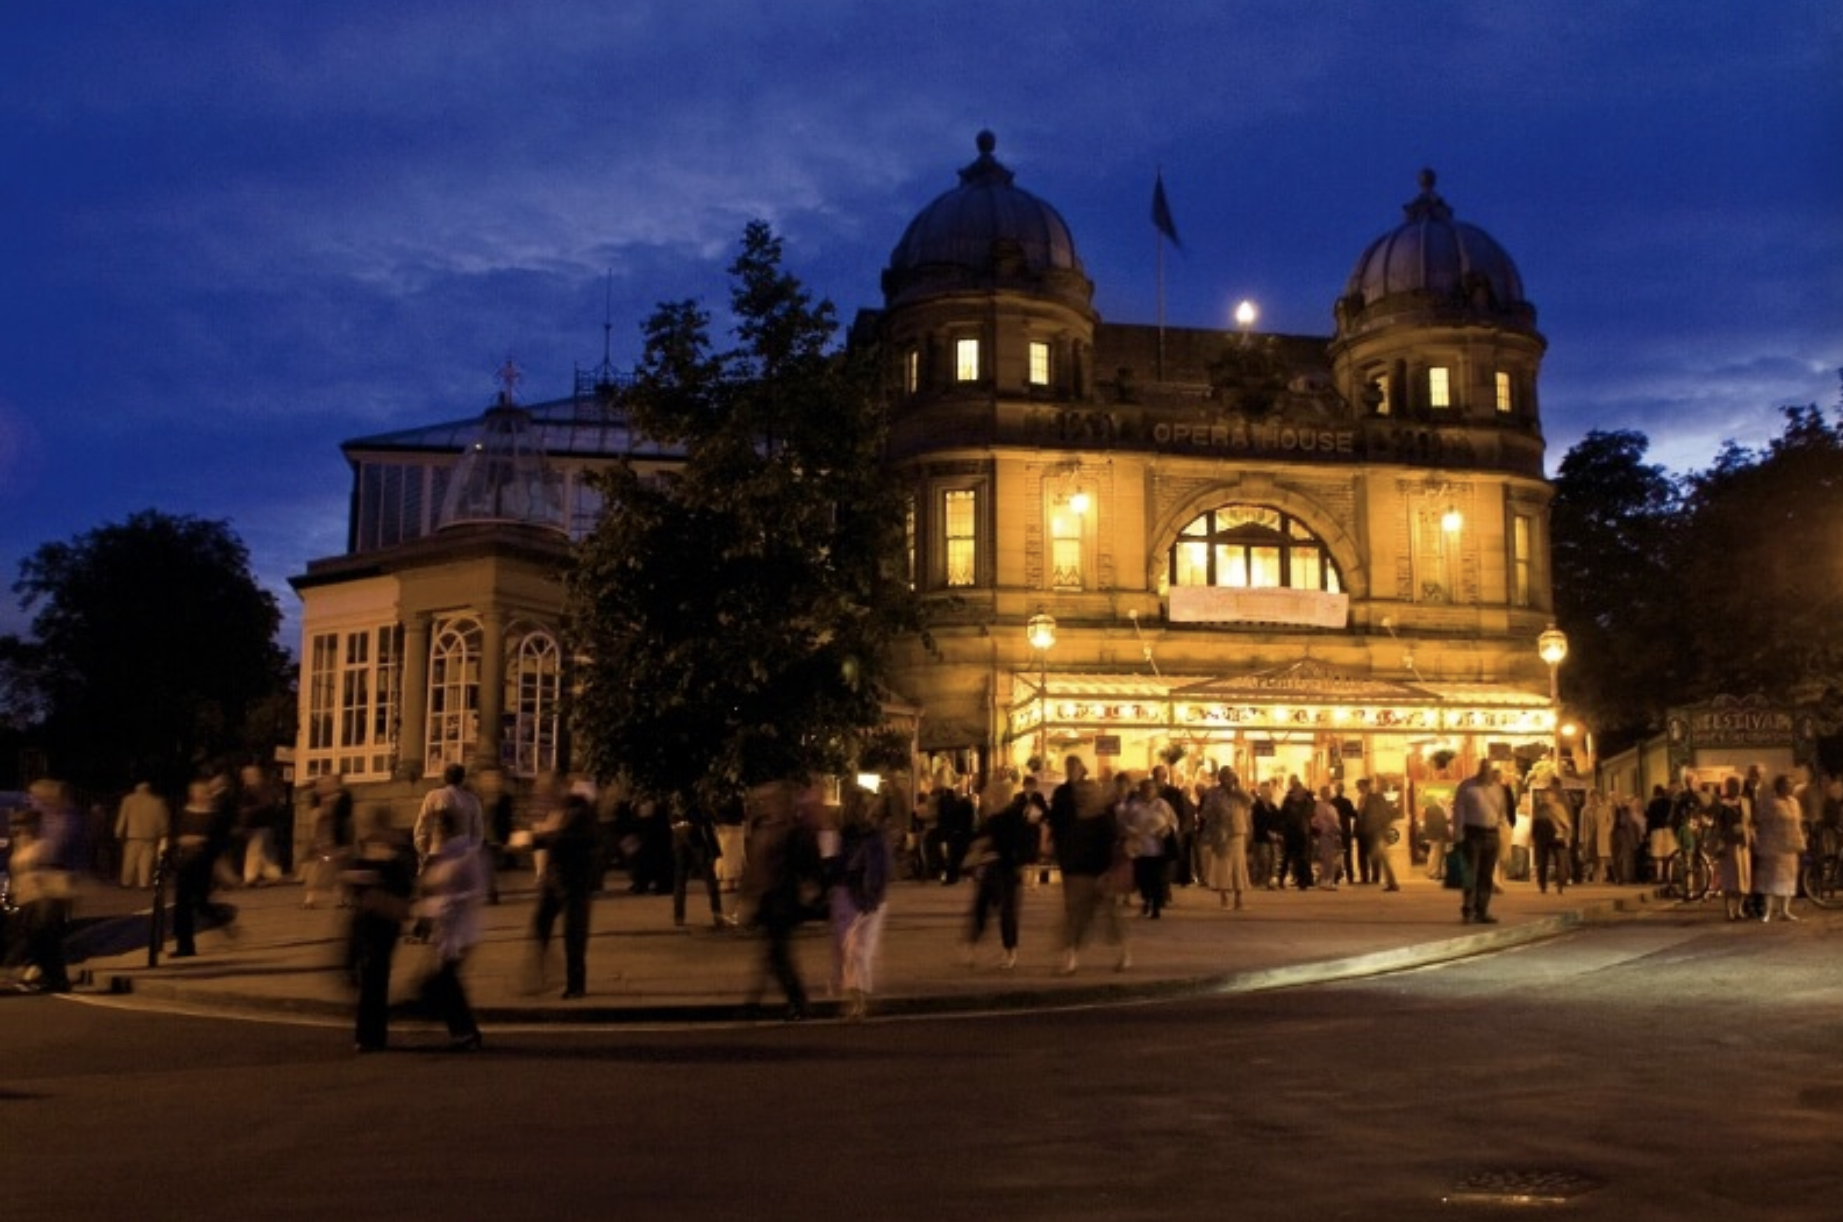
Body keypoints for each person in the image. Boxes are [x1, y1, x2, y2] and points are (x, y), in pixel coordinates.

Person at [742, 781, 822, 1020]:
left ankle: (764, 1003)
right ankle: (778, 1003)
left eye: (770, 801)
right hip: (767, 901)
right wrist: (747, 897)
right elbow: (754, 867)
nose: (765, 806)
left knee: (776, 954)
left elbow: (808, 865)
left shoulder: (794, 832)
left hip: (783, 901)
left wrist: (811, 890)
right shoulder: (763, 829)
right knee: (773, 955)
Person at [1047, 756, 1130, 975]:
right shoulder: (1074, 815)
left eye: (1086, 795)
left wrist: (1109, 872)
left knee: (1109, 917)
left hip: (1099, 873)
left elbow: (1112, 847)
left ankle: (1123, 953)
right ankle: (1071, 959)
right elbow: (1063, 837)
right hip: (1078, 872)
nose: (1081, 798)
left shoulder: (1102, 821)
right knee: (1075, 918)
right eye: (1080, 795)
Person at [341, 807, 415, 1052]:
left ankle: (367, 1037)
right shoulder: (387, 850)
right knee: (376, 977)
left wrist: (370, 877)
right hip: (381, 920)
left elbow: (399, 884)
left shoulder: (392, 850)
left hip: (378, 918)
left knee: (373, 977)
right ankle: (372, 1036)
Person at [416, 807, 485, 1049]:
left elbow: (477, 890)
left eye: (437, 827)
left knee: (448, 980)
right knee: (448, 981)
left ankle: (466, 1032)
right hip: (444, 931)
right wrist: (426, 917)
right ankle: (464, 1032)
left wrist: (447, 903)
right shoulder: (440, 856)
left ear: (448, 828)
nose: (435, 833)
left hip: (462, 931)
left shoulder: (466, 855)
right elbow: (430, 889)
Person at [529, 784, 600, 999]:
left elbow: (564, 840)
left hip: (572, 884)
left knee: (573, 935)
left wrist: (542, 836)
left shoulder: (580, 815)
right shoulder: (569, 813)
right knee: (548, 924)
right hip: (560, 881)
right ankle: (546, 972)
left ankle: (575, 985)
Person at [9, 780, 78, 993]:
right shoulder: (36, 829)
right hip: (31, 895)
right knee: (39, 937)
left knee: (45, 937)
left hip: (47, 892)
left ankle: (54, 978)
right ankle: (50, 977)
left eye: (35, 796)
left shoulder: (60, 822)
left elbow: (57, 859)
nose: (32, 800)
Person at [831, 787, 891, 1019]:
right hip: (848, 894)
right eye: (862, 805)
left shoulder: (874, 836)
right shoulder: (848, 835)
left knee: (860, 950)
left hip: (865, 896)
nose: (866, 810)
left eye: (868, 805)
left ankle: (857, 1001)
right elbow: (839, 866)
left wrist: (873, 896)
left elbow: (881, 870)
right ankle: (853, 998)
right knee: (848, 950)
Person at [963, 773, 1032, 967]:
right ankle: (991, 949)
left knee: (1002, 911)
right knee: (985, 908)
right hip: (995, 867)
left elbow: (1013, 842)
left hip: (1005, 868)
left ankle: (1008, 951)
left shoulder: (1010, 817)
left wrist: (987, 847)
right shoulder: (995, 818)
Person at [1453, 759, 1509, 924]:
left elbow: (1501, 811)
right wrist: (1458, 833)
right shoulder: (1467, 787)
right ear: (1479, 769)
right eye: (1484, 768)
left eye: (1490, 769)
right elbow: (1459, 810)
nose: (1487, 772)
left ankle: (1482, 910)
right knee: (1471, 873)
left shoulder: (1498, 789)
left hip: (1492, 834)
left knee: (1486, 874)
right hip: (1473, 833)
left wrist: (1501, 829)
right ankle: (1468, 910)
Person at [670, 790, 732, 929]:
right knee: (709, 877)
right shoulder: (696, 796)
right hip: (695, 836)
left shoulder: (674, 797)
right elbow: (707, 821)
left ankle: (679, 916)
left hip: (679, 837)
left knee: (680, 878)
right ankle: (717, 914)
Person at [1120, 776, 1176, 917]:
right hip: (1139, 848)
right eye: (1145, 789)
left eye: (1151, 789)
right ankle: (1147, 900)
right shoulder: (1134, 805)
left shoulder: (1162, 805)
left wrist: (1167, 829)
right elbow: (1124, 822)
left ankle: (1156, 905)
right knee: (1143, 877)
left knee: (1157, 877)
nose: (1148, 791)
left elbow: (1173, 821)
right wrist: (1130, 831)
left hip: (1158, 848)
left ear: (1156, 791)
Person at [1754, 774, 1806, 923]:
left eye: (1790, 784)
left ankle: (1785, 910)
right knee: (1771, 878)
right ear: (1778, 786)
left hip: (1790, 846)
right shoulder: (1771, 803)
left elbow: (1798, 823)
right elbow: (1761, 821)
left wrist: (1800, 840)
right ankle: (1768, 911)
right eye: (1786, 784)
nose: (1789, 787)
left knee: (1789, 879)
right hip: (1773, 846)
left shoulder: (1794, 803)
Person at [303, 774, 354, 909]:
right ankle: (310, 899)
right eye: (322, 785)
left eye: (329, 784)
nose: (325, 787)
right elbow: (314, 822)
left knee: (340, 869)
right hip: (323, 841)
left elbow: (345, 821)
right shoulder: (317, 802)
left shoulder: (343, 799)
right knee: (317, 871)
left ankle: (341, 898)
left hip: (337, 840)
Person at [1711, 776, 1753, 921]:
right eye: (1734, 785)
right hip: (1729, 845)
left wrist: (1747, 830)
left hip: (1743, 844)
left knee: (1744, 878)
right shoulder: (1722, 805)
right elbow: (1717, 825)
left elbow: (1750, 821)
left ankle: (1740, 909)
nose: (1737, 788)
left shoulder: (1746, 802)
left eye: (1739, 785)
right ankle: (1729, 910)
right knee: (1730, 879)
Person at [115, 781, 169, 890]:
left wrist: (118, 831)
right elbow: (162, 819)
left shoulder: (128, 800)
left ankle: (126, 882)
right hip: (150, 836)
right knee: (146, 861)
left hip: (133, 835)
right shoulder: (156, 802)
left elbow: (123, 816)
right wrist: (164, 831)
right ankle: (143, 883)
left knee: (129, 860)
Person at [237, 764, 285, 886]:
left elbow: (268, 805)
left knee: (255, 849)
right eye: (245, 775)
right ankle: (273, 874)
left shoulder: (261, 789)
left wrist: (248, 811)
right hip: (255, 825)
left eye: (249, 775)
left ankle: (251, 876)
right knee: (263, 851)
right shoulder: (248, 790)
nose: (247, 778)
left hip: (262, 824)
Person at [1356, 778, 1400, 891]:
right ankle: (1391, 882)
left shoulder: (1376, 797)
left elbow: (1383, 813)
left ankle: (1389, 881)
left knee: (1381, 856)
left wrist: (1382, 828)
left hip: (1376, 832)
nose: (1358, 789)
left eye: (1360, 786)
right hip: (1366, 831)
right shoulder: (1362, 799)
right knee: (1382, 856)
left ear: (1366, 786)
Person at [1531, 780, 1572, 895]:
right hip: (1542, 838)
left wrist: (1566, 836)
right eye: (1545, 795)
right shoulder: (1540, 808)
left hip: (1557, 838)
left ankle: (1560, 885)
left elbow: (1566, 824)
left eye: (1548, 795)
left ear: (1553, 796)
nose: (1546, 797)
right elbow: (1535, 823)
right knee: (1542, 863)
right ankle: (1542, 885)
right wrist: (1533, 837)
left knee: (1560, 862)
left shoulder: (1559, 807)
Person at [1278, 776, 1316, 892]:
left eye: (1302, 790)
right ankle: (1281, 879)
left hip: (1302, 832)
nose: (1300, 793)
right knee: (1287, 856)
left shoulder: (1307, 802)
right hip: (1290, 832)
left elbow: (1310, 814)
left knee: (1302, 858)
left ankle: (1302, 881)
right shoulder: (1288, 801)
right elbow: (1282, 816)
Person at [1310, 786, 1343, 889]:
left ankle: (1328, 879)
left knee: (1331, 858)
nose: (1328, 795)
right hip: (1325, 835)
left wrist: (1337, 829)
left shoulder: (1331, 807)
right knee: (1327, 858)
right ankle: (1326, 879)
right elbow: (1320, 820)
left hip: (1332, 835)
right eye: (1326, 793)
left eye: (1329, 793)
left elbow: (1336, 821)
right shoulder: (1320, 806)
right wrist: (1328, 829)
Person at [1420, 793, 1451, 881]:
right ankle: (1435, 873)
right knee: (1437, 854)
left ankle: (1433, 872)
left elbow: (1429, 823)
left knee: (1433, 853)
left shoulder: (1429, 809)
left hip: (1434, 835)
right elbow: (1439, 823)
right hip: (1439, 835)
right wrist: (1445, 834)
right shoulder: (1436, 809)